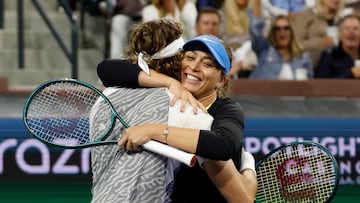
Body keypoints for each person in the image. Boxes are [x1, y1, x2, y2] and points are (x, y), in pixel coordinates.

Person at [93, 19, 257, 203]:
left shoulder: (224, 111)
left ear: (221, 80)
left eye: (208, 64)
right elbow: (107, 69)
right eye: (190, 57)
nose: (194, 67)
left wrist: (153, 130)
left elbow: (223, 148)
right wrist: (170, 82)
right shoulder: (167, 96)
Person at [248, 0, 313, 80]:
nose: (282, 32)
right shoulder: (265, 51)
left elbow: (310, 86)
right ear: (273, 33)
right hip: (264, 92)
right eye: (277, 29)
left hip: (296, 92)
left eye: (286, 28)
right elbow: (256, 30)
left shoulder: (303, 57)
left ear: (292, 32)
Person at [293, 0, 345, 66]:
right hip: (311, 66)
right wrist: (319, 43)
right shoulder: (307, 15)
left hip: (335, 68)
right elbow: (296, 43)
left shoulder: (341, 19)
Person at [315, 14, 360, 78]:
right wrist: (351, 74)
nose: (351, 31)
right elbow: (322, 84)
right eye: (347, 28)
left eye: (355, 29)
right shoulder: (329, 56)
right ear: (340, 35)